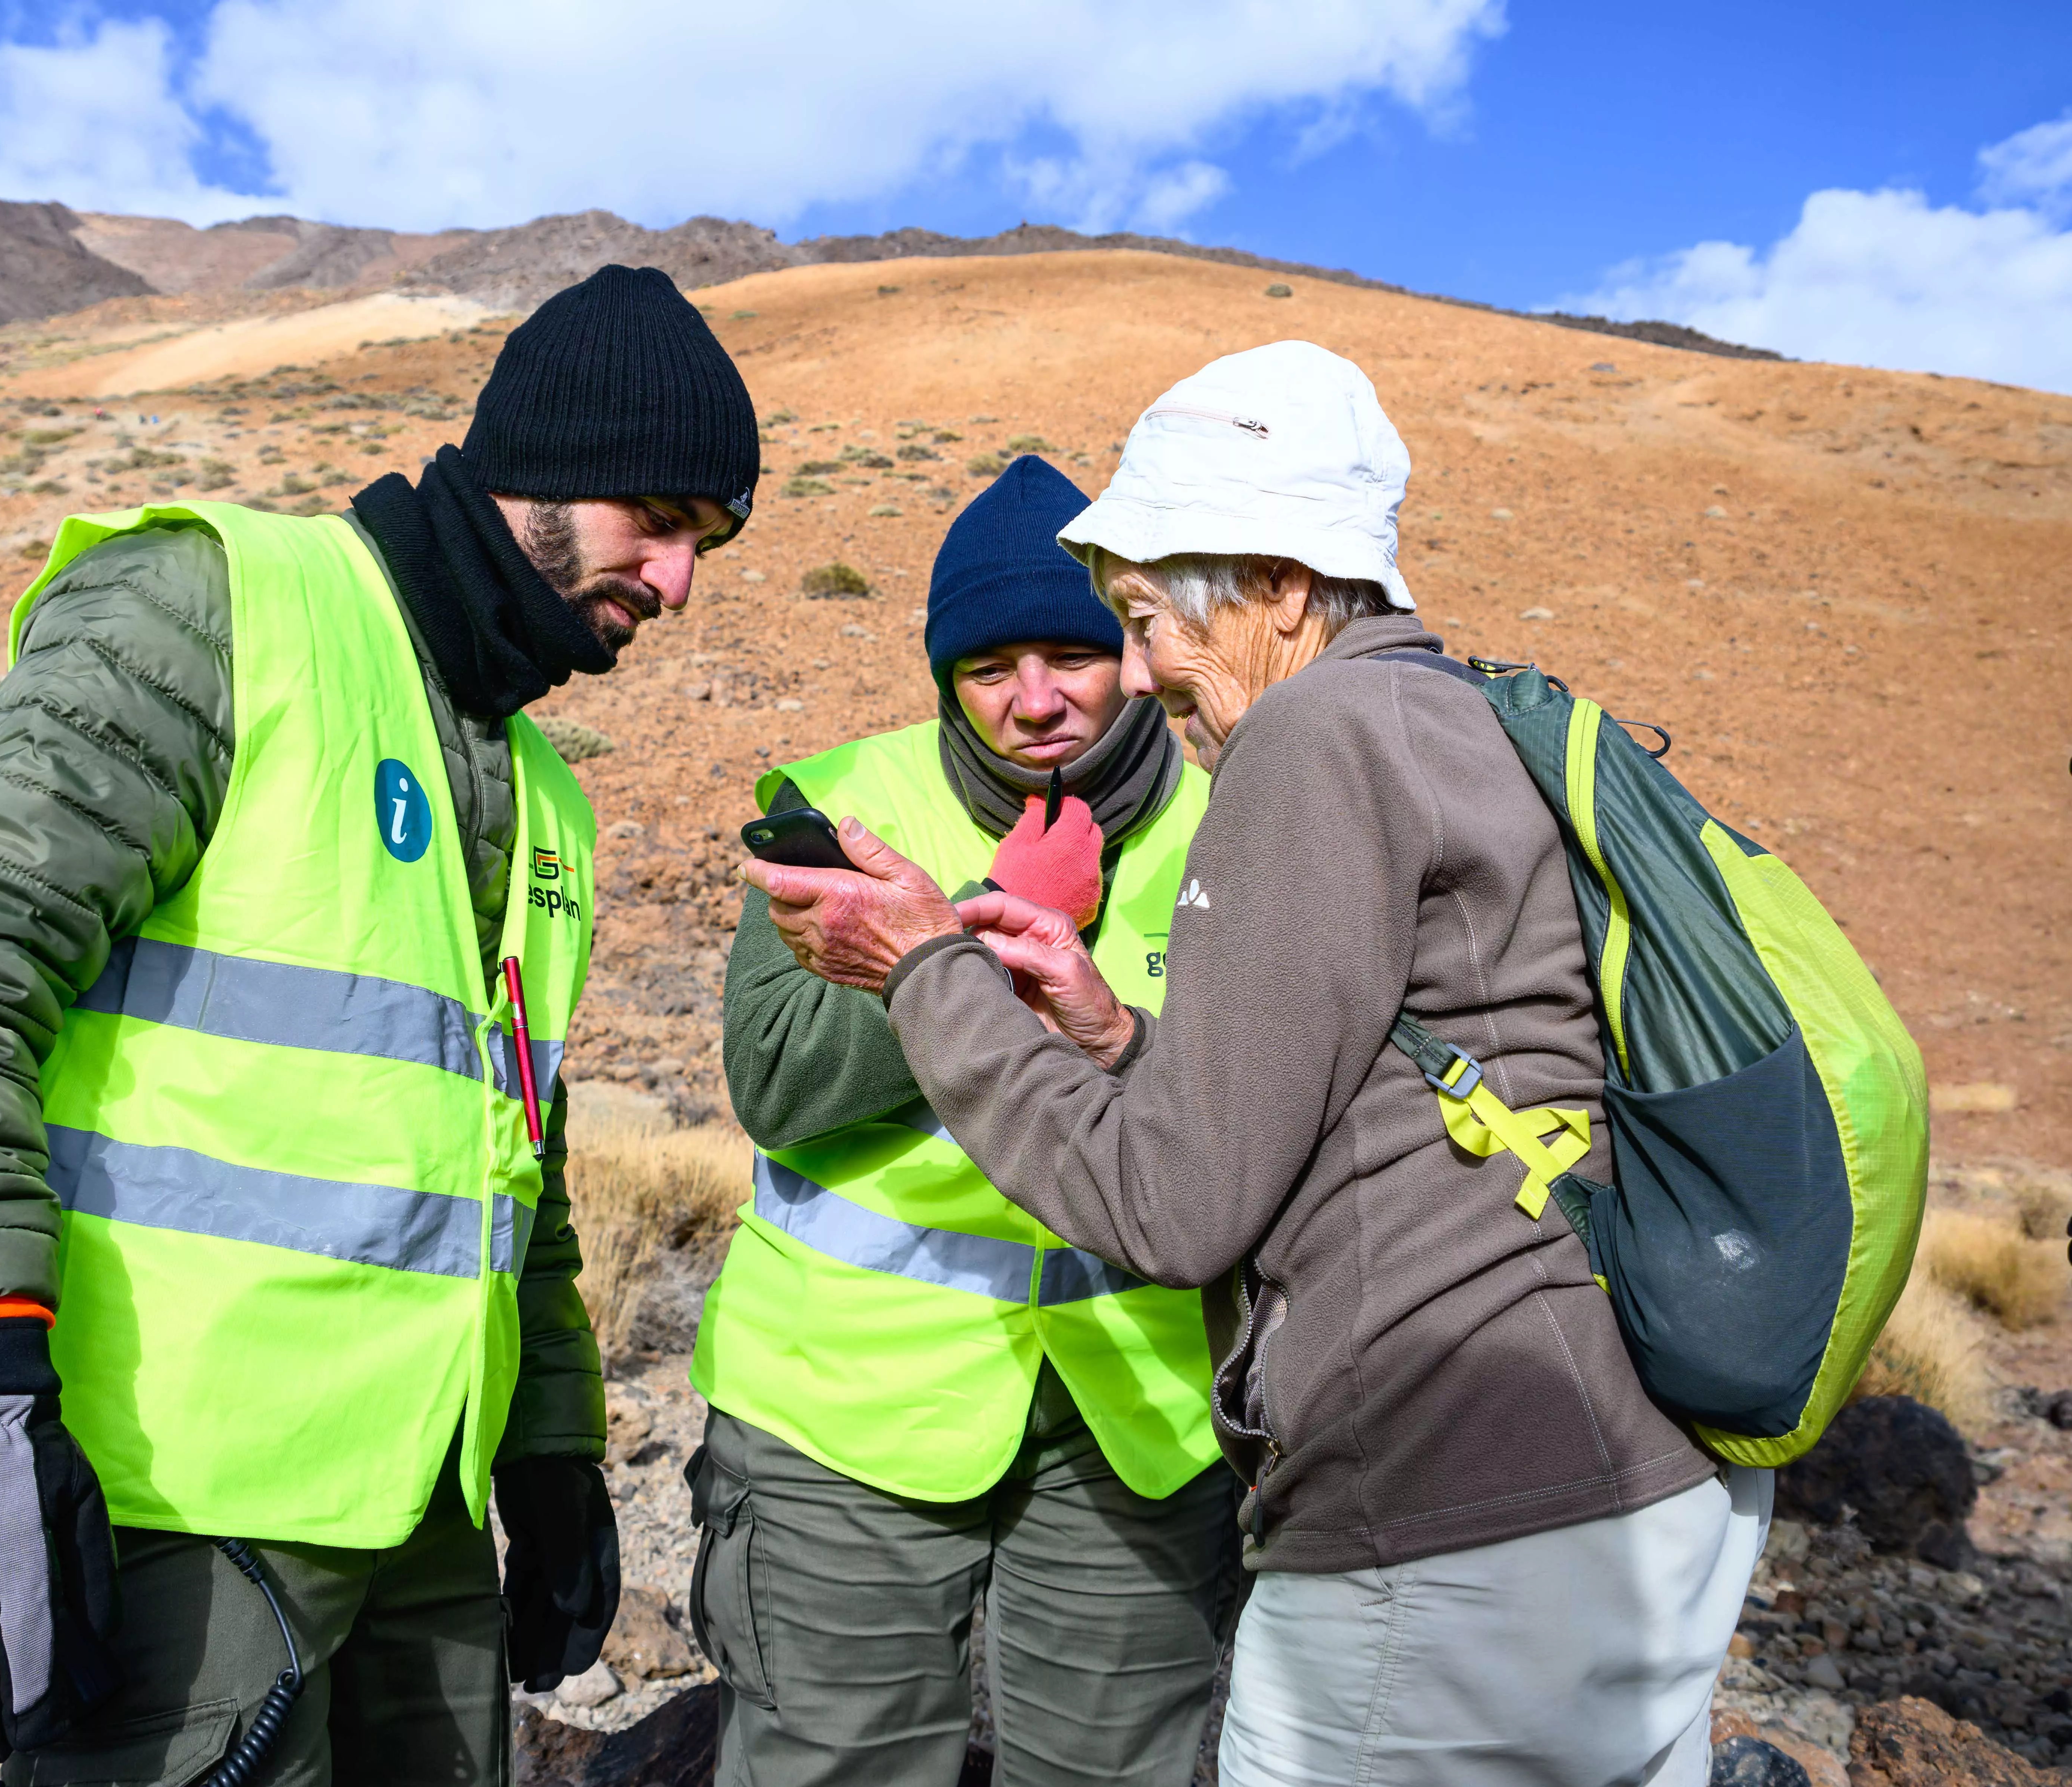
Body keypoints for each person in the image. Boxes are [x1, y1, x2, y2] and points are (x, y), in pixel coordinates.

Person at [744, 342, 1766, 1786]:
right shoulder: (1450, 710)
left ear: (1283, 585)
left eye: (1145, 615)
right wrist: (1114, 1038)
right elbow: (1385, 1085)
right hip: (1603, 1483)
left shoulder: (1313, 733)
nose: (1142, 666)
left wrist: (926, 970)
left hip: (1446, 1517)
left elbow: (1171, 1209)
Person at [0, 265, 758, 1787]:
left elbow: (516, 1162)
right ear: (549, 462)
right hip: (180, 1516)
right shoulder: (221, 606)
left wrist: (552, 1449)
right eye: (658, 518)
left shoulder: (547, 797)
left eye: (708, 544)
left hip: (422, 1525)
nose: (679, 579)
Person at [690, 455, 1241, 1787]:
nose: (1036, 701)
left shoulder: (1250, 823)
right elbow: (779, 1088)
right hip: (843, 1407)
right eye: (991, 666)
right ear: (945, 673)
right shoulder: (832, 807)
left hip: (1144, 1422)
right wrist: (985, 918)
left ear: (1135, 640)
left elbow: (1261, 1123)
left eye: (1073, 652)